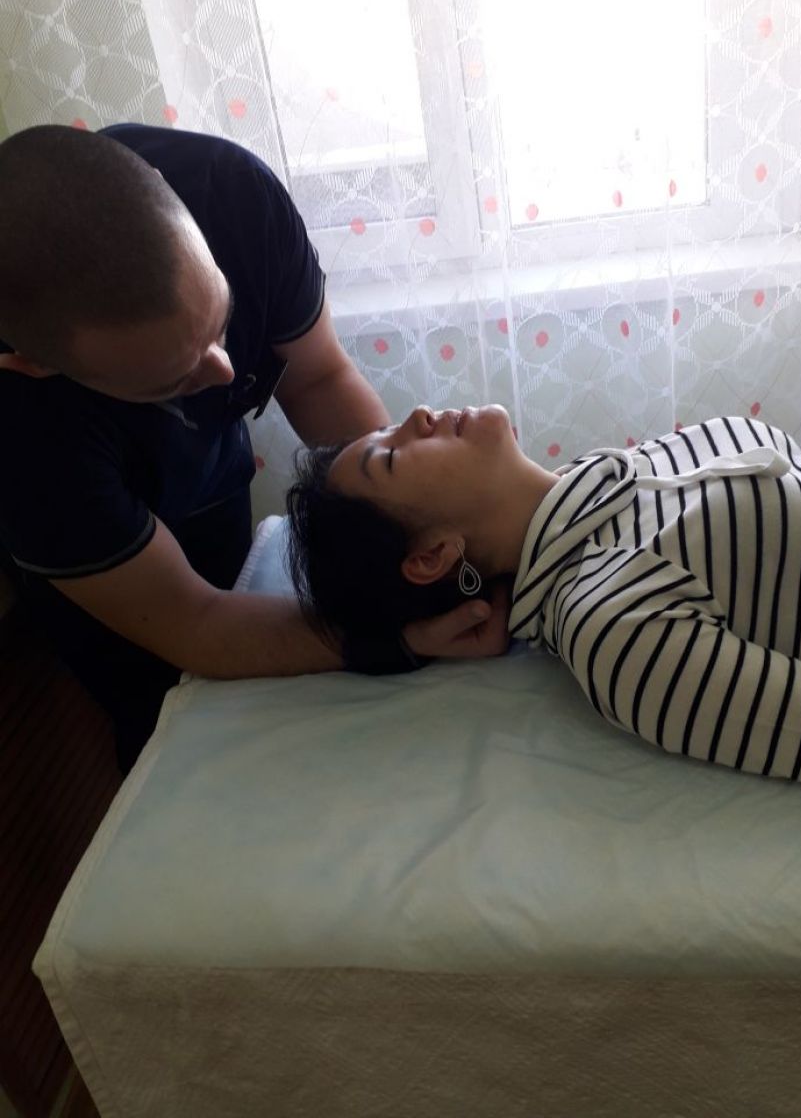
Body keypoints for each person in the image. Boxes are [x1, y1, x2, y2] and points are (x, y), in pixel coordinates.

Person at [0, 125, 505, 771]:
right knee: (161, 716)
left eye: (221, 323)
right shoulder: (24, 443)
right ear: (35, 365)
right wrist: (400, 638)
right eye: (173, 380)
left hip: (207, 494)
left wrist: (406, 527)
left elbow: (318, 377)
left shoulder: (233, 193)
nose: (226, 373)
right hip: (101, 553)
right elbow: (195, 625)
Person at [286, 403, 801, 801]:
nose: (416, 415)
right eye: (391, 456)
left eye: (386, 429)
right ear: (430, 557)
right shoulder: (612, 627)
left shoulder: (605, 476)